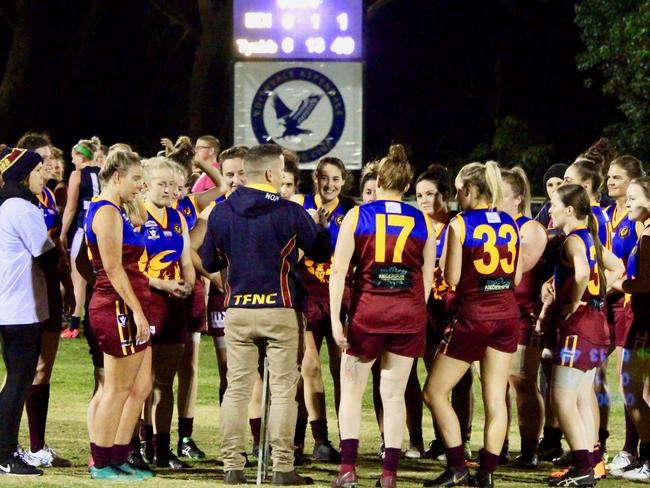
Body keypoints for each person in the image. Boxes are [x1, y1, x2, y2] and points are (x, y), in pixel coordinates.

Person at [200, 143, 332, 485]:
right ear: (272, 174)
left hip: (239, 309)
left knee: (237, 390)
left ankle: (232, 466)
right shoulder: (289, 211)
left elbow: (209, 260)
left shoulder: (222, 211)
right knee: (284, 390)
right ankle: (282, 467)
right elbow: (321, 251)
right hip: (281, 308)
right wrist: (320, 226)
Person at [329, 144, 434, 488]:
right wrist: (415, 311)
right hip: (407, 314)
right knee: (394, 395)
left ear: (379, 180)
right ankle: (389, 475)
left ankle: (348, 469)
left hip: (368, 312)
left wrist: (334, 319)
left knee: (351, 391)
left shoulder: (360, 215)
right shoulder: (421, 219)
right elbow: (429, 277)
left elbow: (340, 270)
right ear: (406, 186)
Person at [423, 161, 522, 487]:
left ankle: (457, 467)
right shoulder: (509, 222)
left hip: (474, 315)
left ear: (466, 190)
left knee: (434, 392)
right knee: (496, 398)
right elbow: (517, 276)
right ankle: (487, 473)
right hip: (506, 314)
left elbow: (451, 278)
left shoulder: (461, 223)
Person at [544, 184, 623, 487]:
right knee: (579, 398)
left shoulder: (572, 241)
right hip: (597, 324)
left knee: (562, 398)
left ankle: (582, 469)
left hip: (580, 327)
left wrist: (576, 299)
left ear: (569, 210)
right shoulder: (588, 237)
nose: (549, 210)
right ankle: (591, 463)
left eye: (553, 204)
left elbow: (580, 274)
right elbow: (616, 268)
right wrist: (598, 292)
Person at [84, 150, 154, 481]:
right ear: (116, 177)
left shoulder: (120, 210)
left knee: (140, 386)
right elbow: (112, 268)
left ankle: (119, 455)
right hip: (116, 306)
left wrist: (136, 193)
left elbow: (141, 219)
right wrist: (138, 314)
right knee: (116, 388)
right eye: (136, 178)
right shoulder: (107, 213)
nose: (142, 185)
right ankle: (100, 462)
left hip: (131, 302)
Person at [14, 133, 74, 468]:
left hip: (49, 285)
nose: (47, 164)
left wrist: (67, 283)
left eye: (50, 157)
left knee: (43, 368)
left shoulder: (48, 194)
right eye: (40, 158)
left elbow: (57, 247)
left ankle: (37, 447)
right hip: (23, 289)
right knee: (20, 368)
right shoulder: (15, 201)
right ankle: (10, 444)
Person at [291, 157, 357, 462]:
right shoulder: (299, 204)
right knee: (309, 368)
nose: (329, 184)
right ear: (315, 179)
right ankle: (317, 438)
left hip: (340, 298)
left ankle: (348, 438)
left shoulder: (352, 210)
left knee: (341, 369)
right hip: (305, 296)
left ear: (343, 181)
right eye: (323, 178)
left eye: (335, 178)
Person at [0, 148, 58, 477]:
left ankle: (6, 448)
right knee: (18, 382)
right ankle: (5, 453)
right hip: (20, 308)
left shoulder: (7, 204)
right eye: (38, 170)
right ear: (23, 174)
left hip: (10, 305)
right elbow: (46, 256)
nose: (44, 175)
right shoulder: (21, 207)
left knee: (16, 380)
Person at [415, 165, 475, 462]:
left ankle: (462, 438)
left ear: (446, 195)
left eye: (430, 194)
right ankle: (442, 439)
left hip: (455, 310)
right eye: (419, 195)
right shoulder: (415, 226)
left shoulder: (459, 223)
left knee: (462, 381)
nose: (425, 200)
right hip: (428, 312)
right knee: (433, 378)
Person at [138, 157, 195, 470]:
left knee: (165, 381)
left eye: (174, 185)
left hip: (173, 305)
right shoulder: (135, 214)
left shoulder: (178, 217)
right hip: (145, 302)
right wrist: (161, 283)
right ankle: (137, 445)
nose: (169, 190)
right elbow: (129, 265)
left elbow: (186, 258)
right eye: (162, 183)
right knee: (141, 383)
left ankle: (162, 449)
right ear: (146, 185)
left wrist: (188, 283)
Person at [500, 167, 548, 469]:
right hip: (494, 314)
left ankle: (530, 447)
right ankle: (498, 445)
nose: (493, 201)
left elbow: (516, 273)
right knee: (495, 385)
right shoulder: (492, 224)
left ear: (518, 198)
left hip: (522, 315)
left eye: (500, 195)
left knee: (522, 382)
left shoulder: (528, 227)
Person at [603, 156, 645, 474]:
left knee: (633, 384)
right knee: (629, 384)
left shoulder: (642, 230)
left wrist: (618, 282)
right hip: (625, 306)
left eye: (618, 177)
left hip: (636, 310)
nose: (611, 182)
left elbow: (641, 279)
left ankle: (634, 450)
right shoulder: (610, 215)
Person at [618, 176, 650, 481]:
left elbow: (646, 283)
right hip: (643, 321)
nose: (627, 203)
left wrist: (619, 283)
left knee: (631, 391)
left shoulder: (648, 235)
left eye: (633, 197)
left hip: (645, 323)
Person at [60, 137, 102, 339]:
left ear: (80, 156)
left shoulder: (77, 175)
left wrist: (61, 233)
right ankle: (98, 320)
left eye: (73, 157)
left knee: (78, 278)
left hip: (82, 229)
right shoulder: (104, 174)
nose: (72, 161)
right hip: (101, 229)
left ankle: (74, 325)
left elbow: (70, 207)